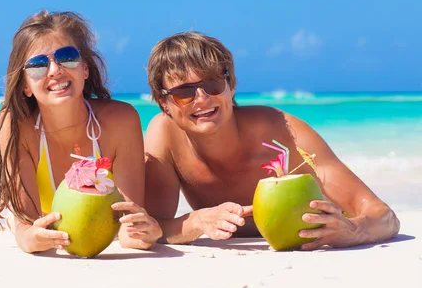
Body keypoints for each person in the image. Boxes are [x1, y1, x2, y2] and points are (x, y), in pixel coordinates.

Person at [143, 31, 400, 250]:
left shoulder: (282, 132)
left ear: (230, 86)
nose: (201, 98)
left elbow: (383, 215)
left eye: (212, 84)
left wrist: (353, 230)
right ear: (164, 102)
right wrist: (197, 221)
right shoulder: (165, 136)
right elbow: (153, 227)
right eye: (184, 92)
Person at [0, 10, 161, 253]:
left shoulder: (121, 121)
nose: (54, 70)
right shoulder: (14, 125)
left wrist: (148, 233)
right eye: (38, 65)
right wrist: (29, 237)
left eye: (66, 57)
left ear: (84, 68)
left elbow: (129, 229)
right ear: (25, 86)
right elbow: (26, 228)